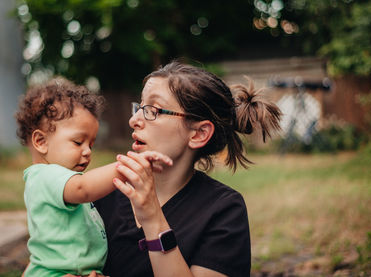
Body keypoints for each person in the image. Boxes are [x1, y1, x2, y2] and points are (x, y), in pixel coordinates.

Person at [93, 61, 282, 277]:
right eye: (140, 107)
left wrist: (152, 217)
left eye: (153, 110)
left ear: (198, 134)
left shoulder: (224, 211)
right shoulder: (102, 191)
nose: (133, 120)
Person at [15, 78, 172, 277]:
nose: (88, 152)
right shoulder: (44, 176)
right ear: (40, 141)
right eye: (78, 142)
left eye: (90, 144)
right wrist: (129, 165)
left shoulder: (61, 178)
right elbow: (84, 188)